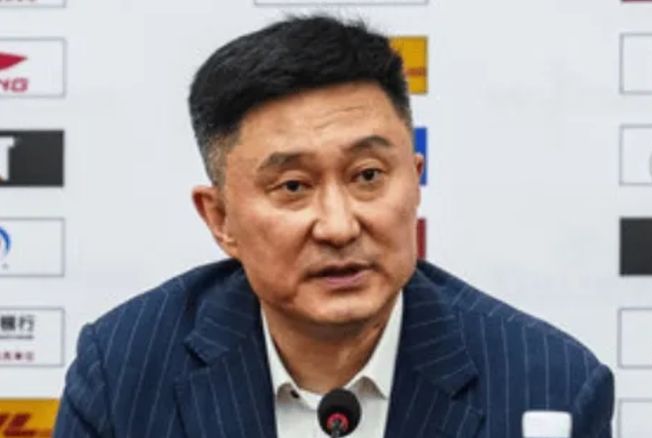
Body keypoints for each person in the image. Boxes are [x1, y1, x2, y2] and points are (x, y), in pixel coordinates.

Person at [53, 15, 614, 438]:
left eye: (367, 176)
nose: (340, 227)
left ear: (415, 179)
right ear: (220, 219)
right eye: (293, 186)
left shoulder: (551, 385)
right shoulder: (123, 372)